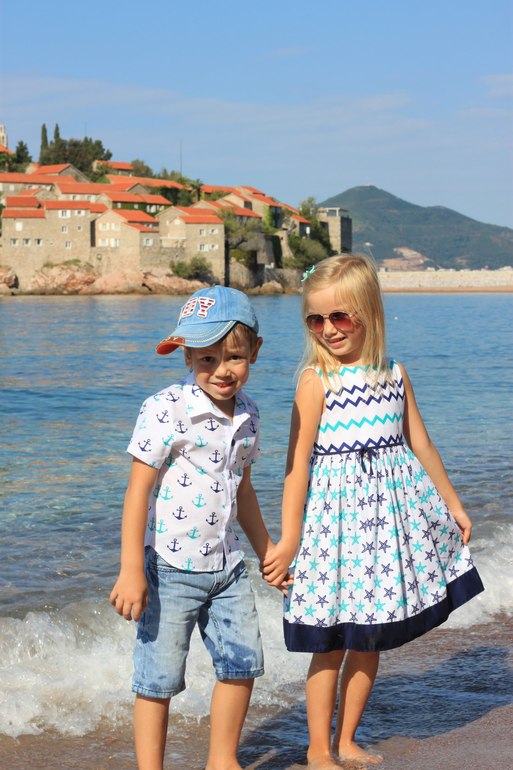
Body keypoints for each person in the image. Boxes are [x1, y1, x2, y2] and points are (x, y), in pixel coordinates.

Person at [262, 255, 484, 770]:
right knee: (330, 641)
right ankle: (318, 749)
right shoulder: (315, 381)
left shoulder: (395, 373)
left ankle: (346, 741)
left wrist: (453, 504)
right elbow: (295, 468)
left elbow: (421, 444)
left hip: (386, 529)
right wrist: (289, 539)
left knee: (369, 639)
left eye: (340, 316)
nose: (329, 329)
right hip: (335, 531)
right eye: (316, 319)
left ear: (369, 311)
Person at [110, 285, 274, 770]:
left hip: (229, 565)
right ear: (186, 356)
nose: (221, 370)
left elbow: (243, 491)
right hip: (169, 566)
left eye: (234, 357)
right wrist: (130, 570)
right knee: (157, 679)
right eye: (206, 359)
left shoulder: (249, 415)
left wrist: (267, 550)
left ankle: (222, 761)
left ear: (254, 351)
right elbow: (138, 490)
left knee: (241, 664)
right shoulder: (166, 408)